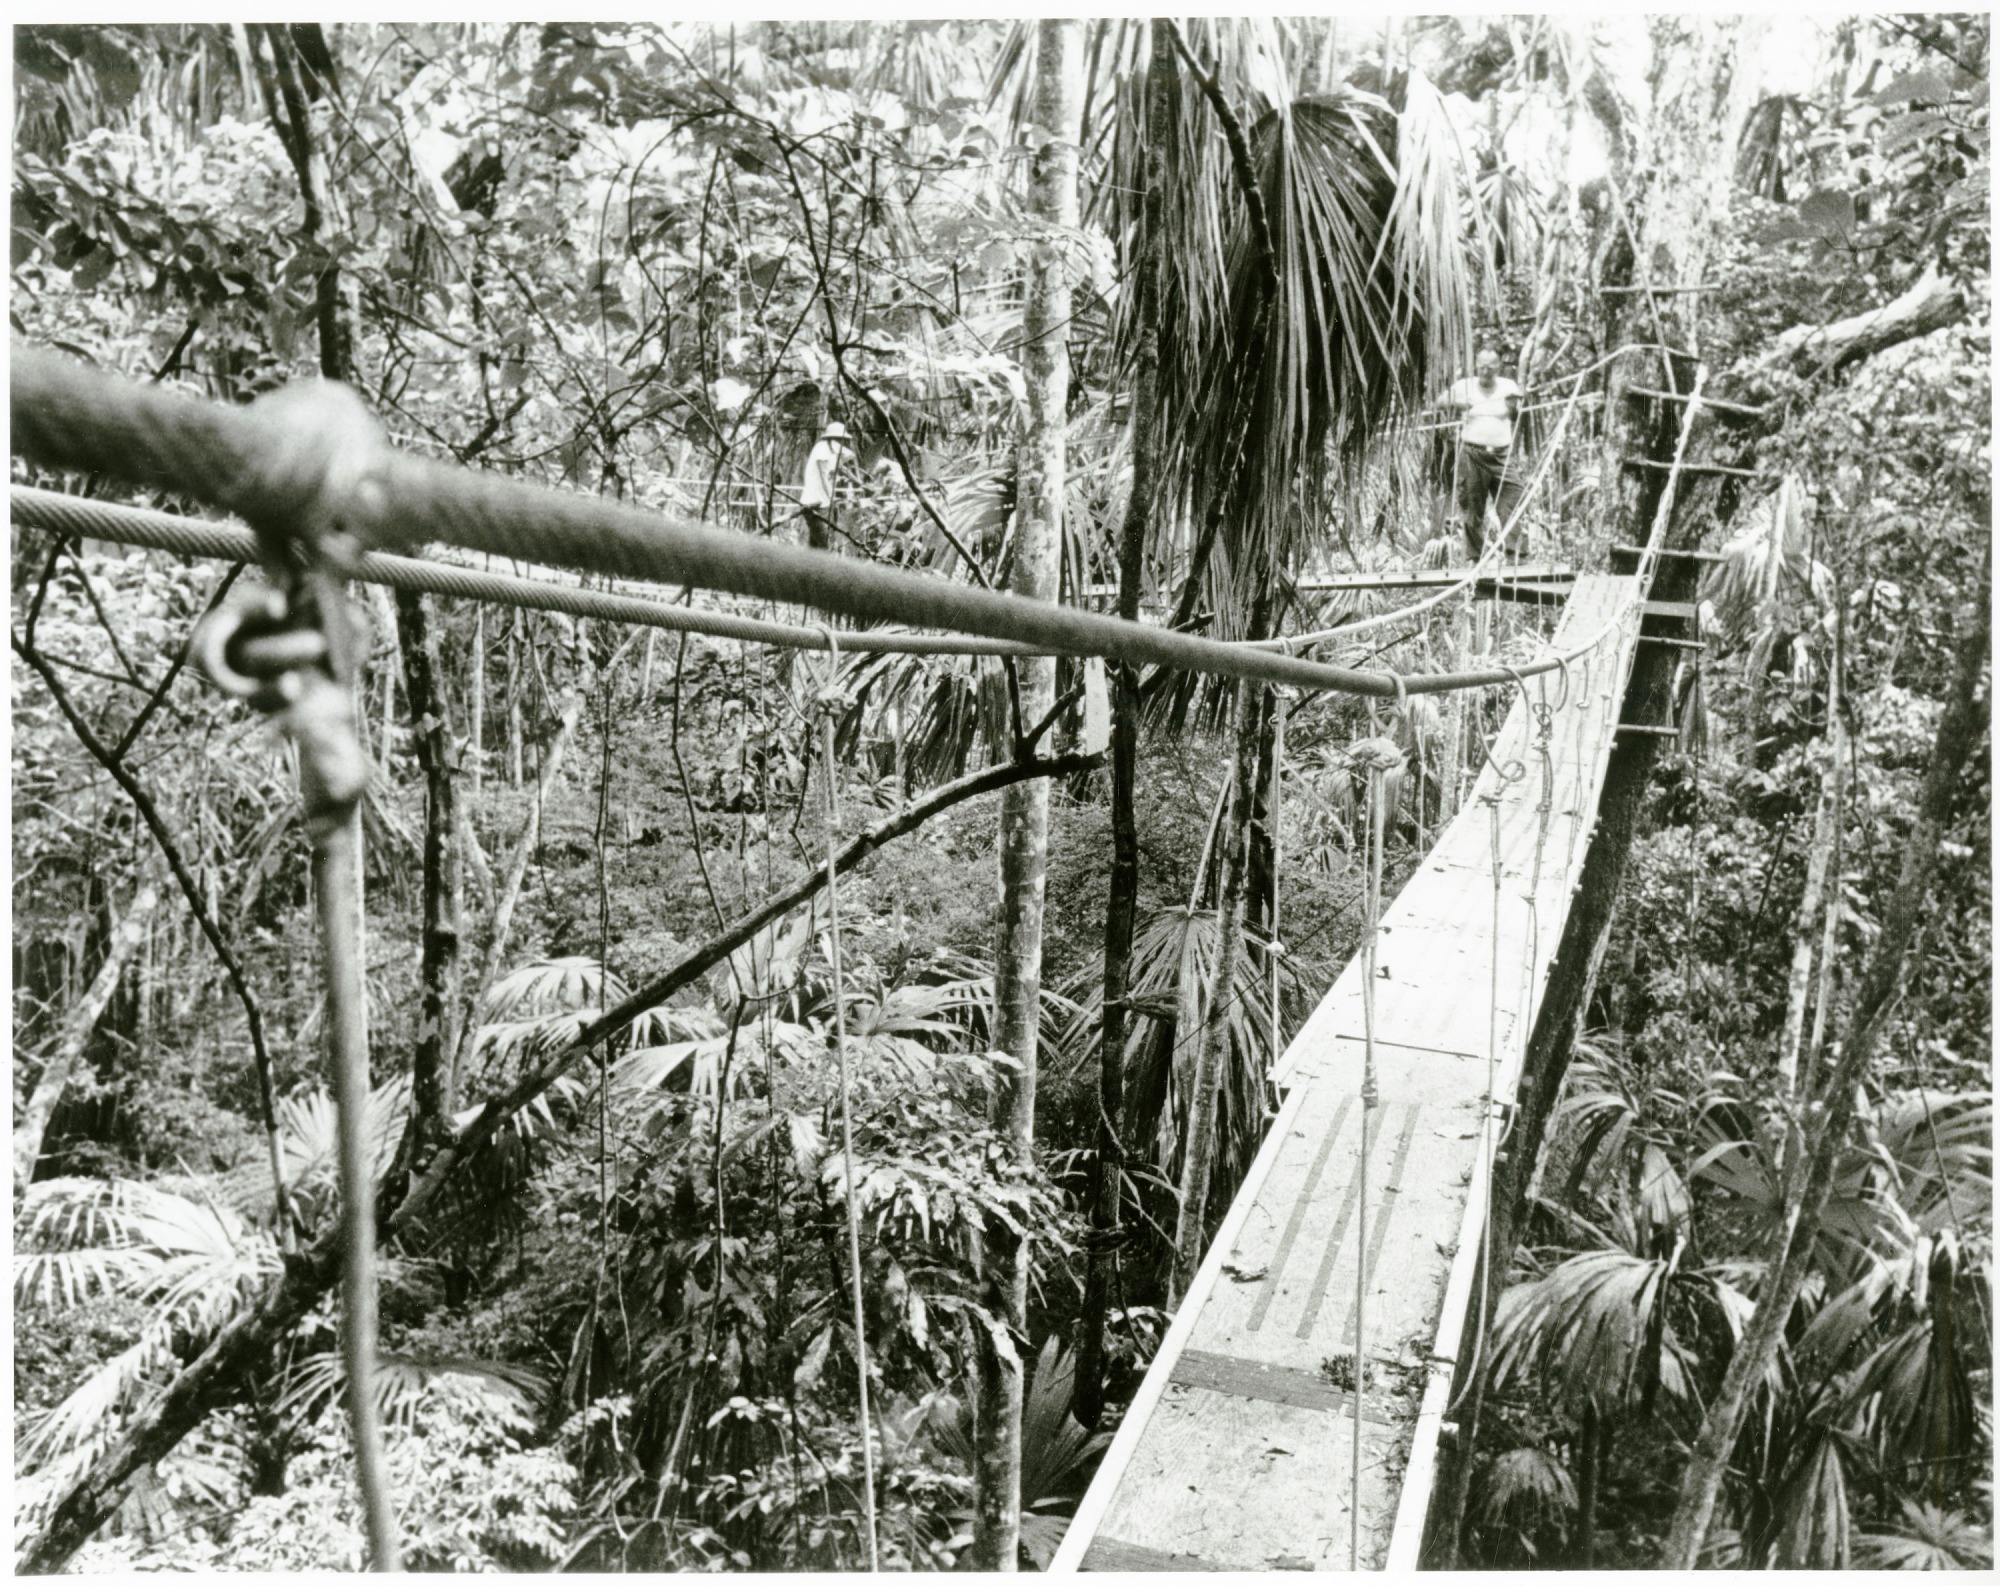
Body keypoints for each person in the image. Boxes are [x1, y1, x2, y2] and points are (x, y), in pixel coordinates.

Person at [1443, 348, 1526, 557]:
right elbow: (1439, 402)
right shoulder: (1465, 386)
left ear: (1498, 367)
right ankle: (1475, 557)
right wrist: (1459, 404)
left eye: (1490, 367)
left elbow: (1515, 417)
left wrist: (1512, 406)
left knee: (1513, 497)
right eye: (1482, 366)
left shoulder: (1508, 386)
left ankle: (1516, 554)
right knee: (1472, 505)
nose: (1486, 371)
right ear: (1476, 366)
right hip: (1473, 454)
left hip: (1501, 455)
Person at [800, 420, 851, 552]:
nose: (841, 443)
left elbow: (844, 464)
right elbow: (823, 475)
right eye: (839, 440)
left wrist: (860, 482)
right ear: (831, 438)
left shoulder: (832, 452)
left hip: (824, 504)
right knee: (825, 544)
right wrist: (832, 498)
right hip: (814, 503)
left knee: (816, 546)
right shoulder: (821, 449)